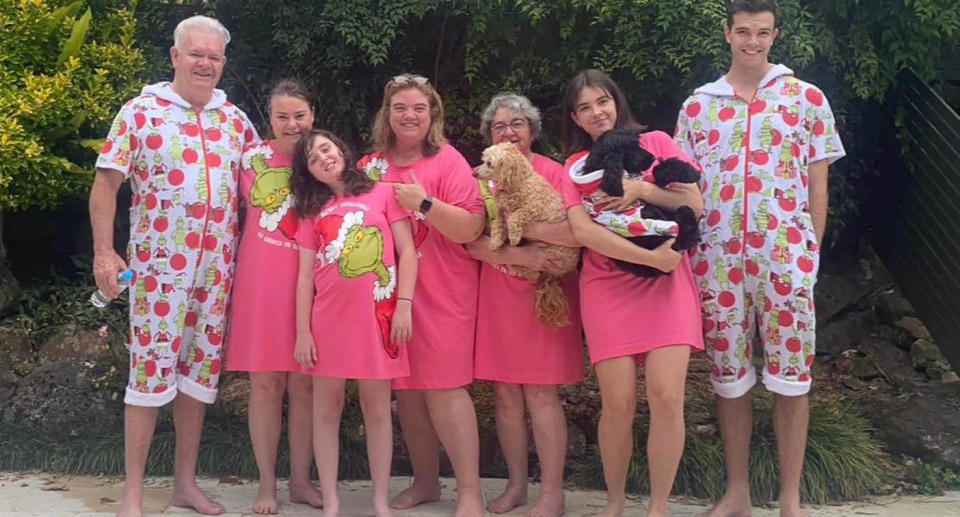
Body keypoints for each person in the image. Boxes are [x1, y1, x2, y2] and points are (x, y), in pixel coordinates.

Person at [674, 2, 845, 516]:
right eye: (743, 31)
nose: (753, 41)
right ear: (727, 34)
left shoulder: (805, 98)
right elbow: (684, 187)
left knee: (792, 378)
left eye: (762, 32)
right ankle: (738, 493)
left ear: (775, 36)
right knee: (729, 379)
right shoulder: (697, 106)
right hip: (718, 263)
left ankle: (790, 498)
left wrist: (808, 255)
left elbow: (819, 186)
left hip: (784, 263)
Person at [89, 15, 258, 517]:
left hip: (217, 275)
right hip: (159, 272)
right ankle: (134, 496)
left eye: (215, 56)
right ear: (175, 56)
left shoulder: (236, 121)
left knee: (198, 379)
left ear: (223, 63)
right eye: (197, 53)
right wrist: (104, 251)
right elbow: (106, 185)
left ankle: (185, 484)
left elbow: (268, 190)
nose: (205, 63)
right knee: (147, 378)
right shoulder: (140, 113)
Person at [560, 69, 704, 517]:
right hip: (610, 285)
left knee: (666, 396)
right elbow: (583, 232)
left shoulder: (657, 143)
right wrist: (649, 259)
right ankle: (615, 504)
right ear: (576, 119)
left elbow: (696, 205)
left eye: (602, 101)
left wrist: (642, 188)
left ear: (616, 101)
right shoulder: (576, 167)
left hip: (667, 285)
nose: (596, 112)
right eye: (585, 107)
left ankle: (657, 508)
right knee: (617, 403)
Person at [357, 73, 486, 517]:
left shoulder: (449, 161)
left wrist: (424, 204)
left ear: (432, 115)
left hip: (444, 290)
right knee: (407, 391)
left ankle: (469, 491)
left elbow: (472, 227)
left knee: (445, 389)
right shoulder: (371, 166)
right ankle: (426, 483)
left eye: (418, 108)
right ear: (386, 114)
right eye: (399, 108)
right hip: (388, 295)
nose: (409, 116)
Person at [465, 93, 583, 517]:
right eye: (499, 127)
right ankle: (515, 486)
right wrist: (520, 253)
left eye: (517, 123)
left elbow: (576, 234)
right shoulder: (482, 179)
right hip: (498, 295)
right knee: (504, 395)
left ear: (533, 130)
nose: (509, 132)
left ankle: (552, 493)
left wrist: (522, 229)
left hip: (544, 294)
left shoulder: (556, 173)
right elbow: (471, 240)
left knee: (540, 393)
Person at [290, 129, 417, 517]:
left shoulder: (381, 193)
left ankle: (380, 499)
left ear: (340, 148)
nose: (323, 158)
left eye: (325, 148)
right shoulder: (312, 212)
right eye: (313, 158)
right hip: (327, 324)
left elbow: (407, 250)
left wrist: (405, 305)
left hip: (377, 320)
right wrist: (302, 332)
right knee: (325, 410)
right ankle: (331, 500)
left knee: (377, 408)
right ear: (308, 172)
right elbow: (305, 277)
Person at [225, 79, 323, 514]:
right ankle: (267, 483)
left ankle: (301, 480)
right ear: (270, 119)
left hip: (314, 285)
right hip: (260, 284)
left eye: (299, 115)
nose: (292, 123)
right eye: (282, 116)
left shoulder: (325, 159)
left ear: (313, 115)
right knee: (265, 385)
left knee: (305, 385)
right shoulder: (250, 158)